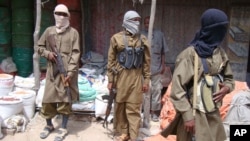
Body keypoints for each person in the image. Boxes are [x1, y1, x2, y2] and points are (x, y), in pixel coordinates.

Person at [160, 8, 235, 141]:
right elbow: (177, 90)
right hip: (194, 116)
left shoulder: (220, 53)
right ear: (211, 29)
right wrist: (188, 116)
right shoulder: (190, 55)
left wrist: (227, 88)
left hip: (213, 113)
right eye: (220, 29)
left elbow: (229, 78)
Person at [37, 4, 80, 141]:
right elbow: (39, 46)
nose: (61, 17)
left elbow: (76, 53)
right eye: (58, 13)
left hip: (66, 71)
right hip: (51, 72)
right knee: (48, 100)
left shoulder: (73, 33)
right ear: (54, 14)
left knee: (65, 100)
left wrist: (70, 72)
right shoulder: (49, 31)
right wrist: (48, 54)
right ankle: (49, 125)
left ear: (68, 16)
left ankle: (63, 127)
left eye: (64, 14)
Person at [107, 10, 151, 141]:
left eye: (138, 20)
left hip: (136, 79)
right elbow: (111, 60)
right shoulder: (116, 38)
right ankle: (124, 133)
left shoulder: (142, 40)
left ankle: (133, 135)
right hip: (120, 78)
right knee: (120, 106)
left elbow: (147, 62)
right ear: (126, 21)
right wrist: (110, 80)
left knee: (134, 108)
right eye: (134, 20)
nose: (137, 23)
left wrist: (146, 80)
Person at [141, 16, 169, 122]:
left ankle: (154, 113)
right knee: (145, 91)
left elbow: (163, 52)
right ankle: (145, 112)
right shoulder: (141, 35)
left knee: (157, 90)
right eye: (146, 23)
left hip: (157, 68)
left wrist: (163, 65)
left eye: (149, 23)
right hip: (144, 69)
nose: (147, 25)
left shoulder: (160, 34)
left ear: (153, 23)